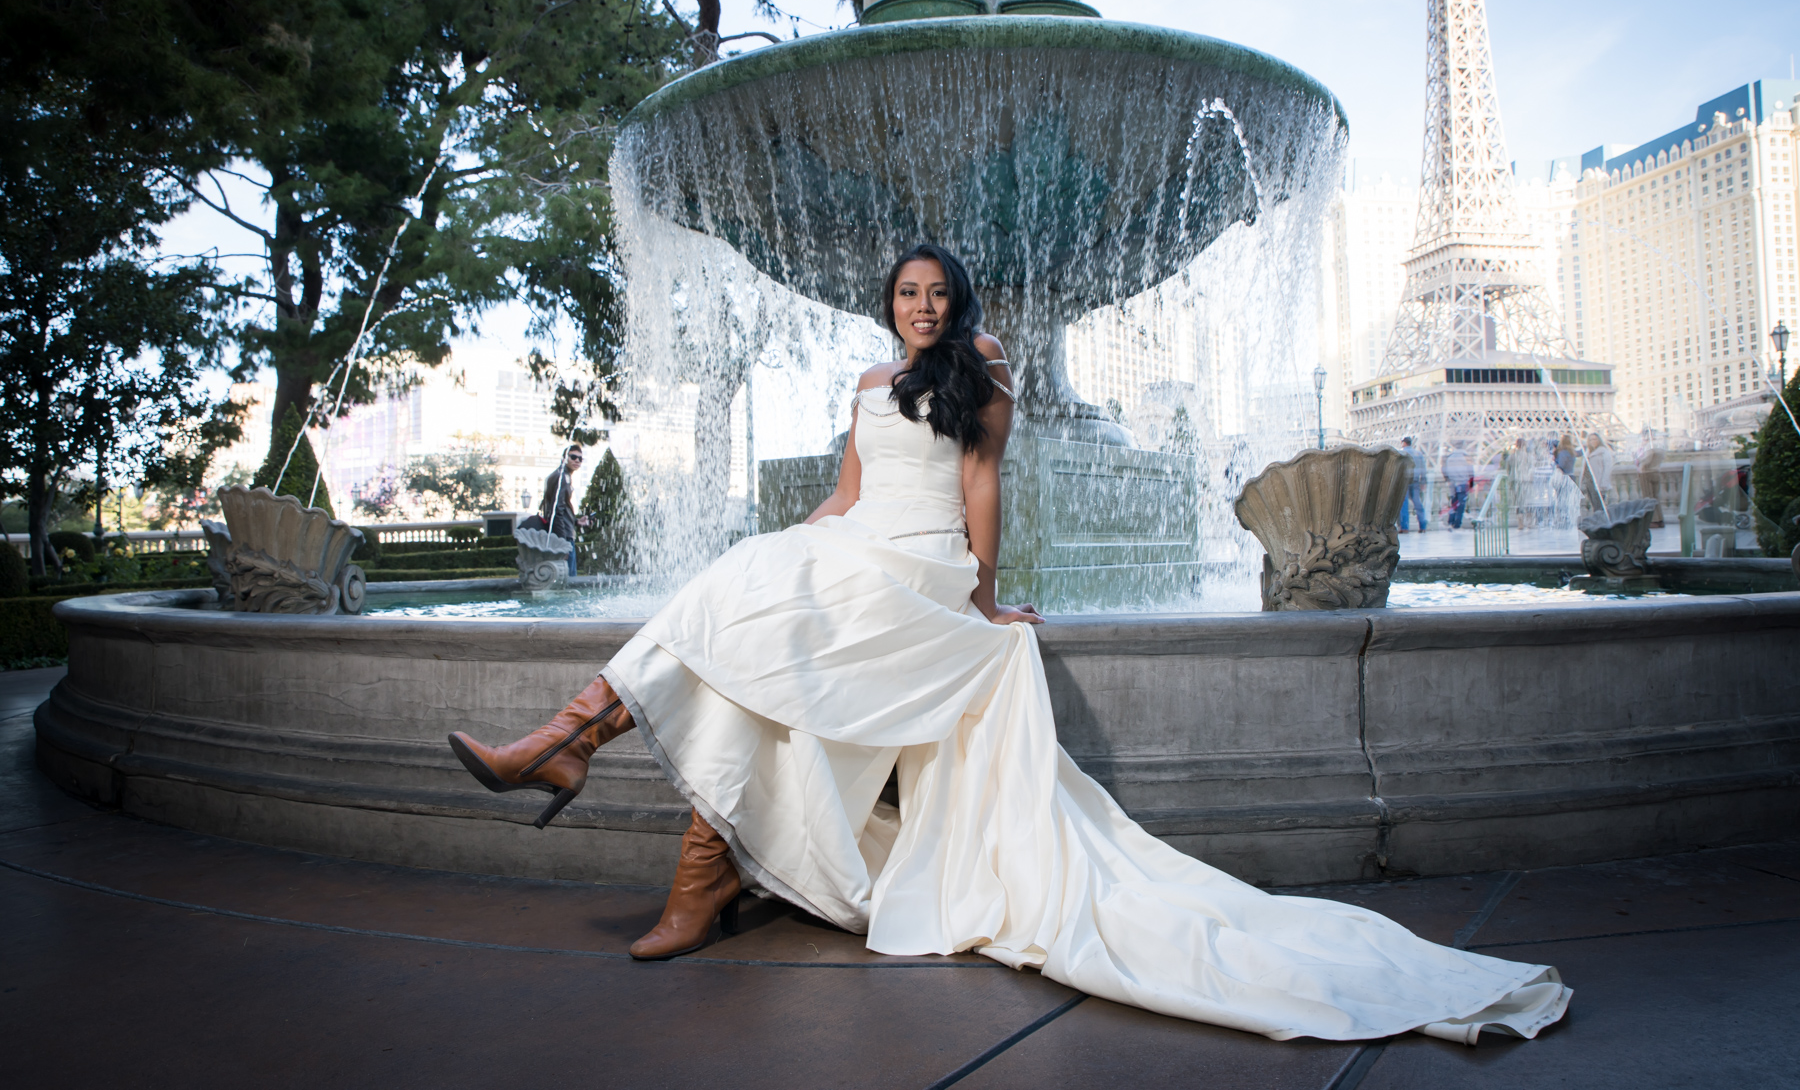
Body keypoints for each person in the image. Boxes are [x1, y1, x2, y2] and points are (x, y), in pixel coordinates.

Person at [447, 244, 1569, 1044]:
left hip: (926, 568)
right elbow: (842, 496)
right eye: (906, 293)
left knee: (759, 613)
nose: (922, 307)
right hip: (855, 549)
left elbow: (982, 490)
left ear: (957, 302)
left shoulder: (981, 373)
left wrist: (985, 601)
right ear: (887, 306)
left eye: (936, 292)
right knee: (748, 594)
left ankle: (589, 763)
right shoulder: (867, 383)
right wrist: (770, 558)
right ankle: (597, 771)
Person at [537, 444, 593, 576]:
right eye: (573, 457)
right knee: (568, 583)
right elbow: (556, 511)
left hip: (564, 535)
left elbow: (561, 508)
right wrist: (562, 543)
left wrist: (576, 521)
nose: (577, 461)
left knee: (566, 583)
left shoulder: (563, 476)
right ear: (564, 458)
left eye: (580, 459)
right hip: (564, 538)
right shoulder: (561, 477)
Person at [1398, 437, 1427, 532]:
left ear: (1404, 443)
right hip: (1415, 481)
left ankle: (1405, 527)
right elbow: (1423, 469)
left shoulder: (1401, 453)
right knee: (1418, 503)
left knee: (1404, 505)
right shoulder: (1418, 454)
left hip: (1404, 481)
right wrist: (1423, 481)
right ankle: (1423, 526)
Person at [1582, 432, 1616, 512]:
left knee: (1599, 506)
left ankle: (1601, 522)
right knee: (1593, 504)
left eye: (1594, 439)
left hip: (1598, 482)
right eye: (1590, 440)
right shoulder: (1587, 452)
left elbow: (1607, 468)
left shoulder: (1604, 452)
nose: (1592, 441)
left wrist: (1603, 483)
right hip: (1589, 482)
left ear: (1599, 440)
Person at [1442, 445, 1474, 529]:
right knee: (1461, 504)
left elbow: (1444, 470)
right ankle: (1457, 523)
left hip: (1452, 483)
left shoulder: (1449, 458)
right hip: (1463, 483)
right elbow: (1471, 472)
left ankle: (1451, 520)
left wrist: (1448, 479)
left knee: (1454, 503)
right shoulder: (1465, 458)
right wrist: (1471, 485)